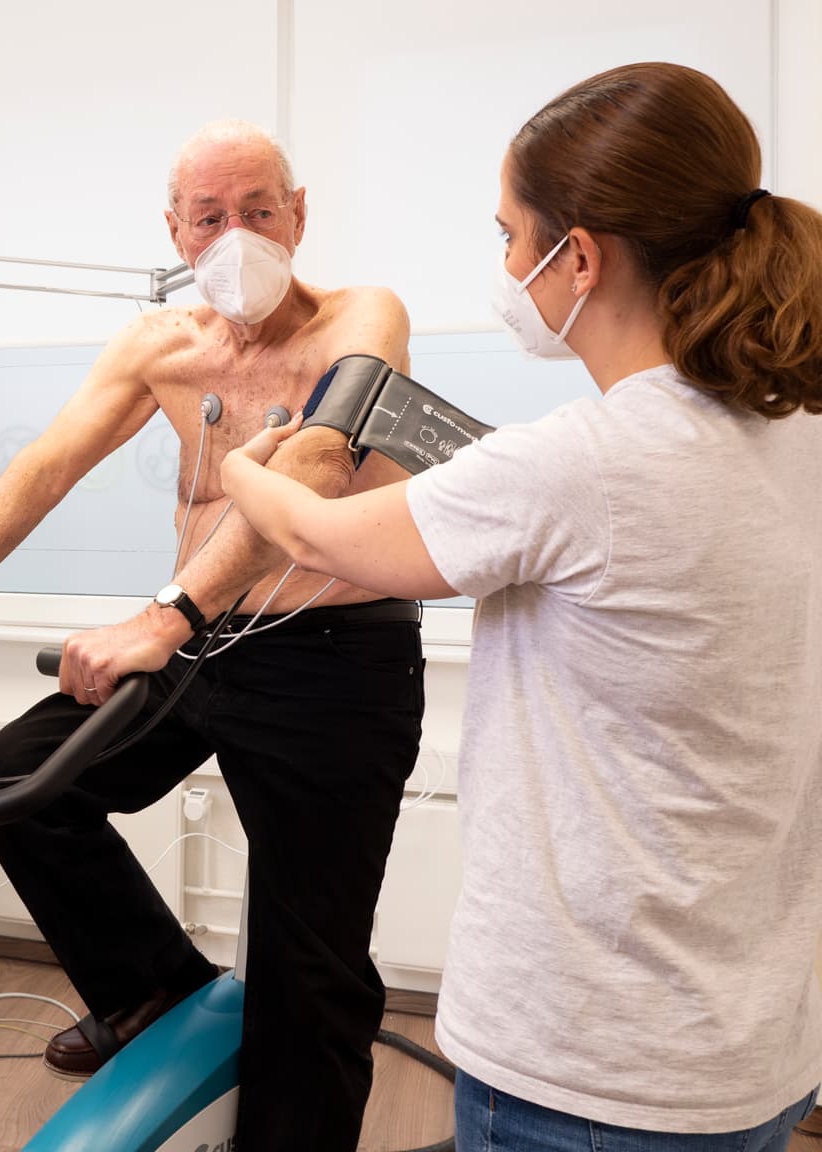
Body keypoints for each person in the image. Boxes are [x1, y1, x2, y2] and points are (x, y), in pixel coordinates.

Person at [220, 63, 822, 1149]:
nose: (506, 267)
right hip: (749, 1045)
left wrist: (245, 466)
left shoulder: (580, 464)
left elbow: (313, 533)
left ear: (579, 256)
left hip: (587, 1066)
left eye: (511, 238)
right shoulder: (793, 427)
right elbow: (596, 538)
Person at [0, 120, 426, 1148]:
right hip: (204, 643)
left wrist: (165, 618)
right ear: (175, 230)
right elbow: (46, 466)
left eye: (258, 209)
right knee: (15, 786)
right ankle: (154, 992)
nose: (236, 233)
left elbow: (321, 466)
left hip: (335, 660)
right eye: (210, 217)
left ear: (300, 215)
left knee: (311, 964)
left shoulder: (362, 316)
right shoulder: (161, 347)